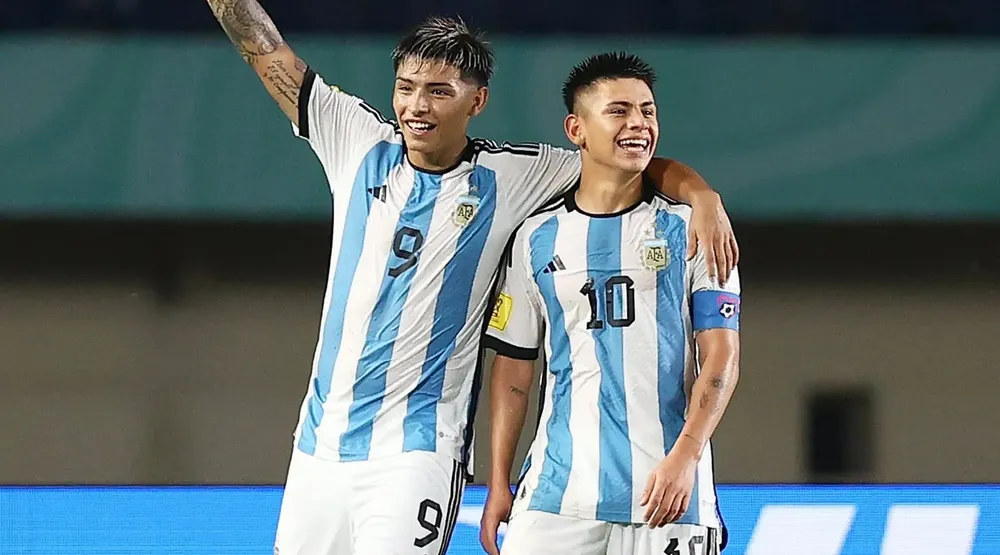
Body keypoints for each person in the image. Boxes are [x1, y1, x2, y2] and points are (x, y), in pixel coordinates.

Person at [202, 3, 739, 553]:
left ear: (476, 101)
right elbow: (265, 51)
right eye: (406, 88)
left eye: (439, 91)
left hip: (417, 450)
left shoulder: (515, 174)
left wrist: (701, 195)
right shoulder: (356, 141)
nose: (417, 106)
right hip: (317, 444)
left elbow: (618, 156)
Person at [479, 52, 742, 555]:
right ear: (576, 129)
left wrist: (686, 457)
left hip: (669, 496)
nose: (639, 123)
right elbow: (513, 369)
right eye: (619, 111)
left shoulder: (694, 230)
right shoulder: (535, 237)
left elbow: (722, 358)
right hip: (557, 495)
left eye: (648, 111)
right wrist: (498, 482)